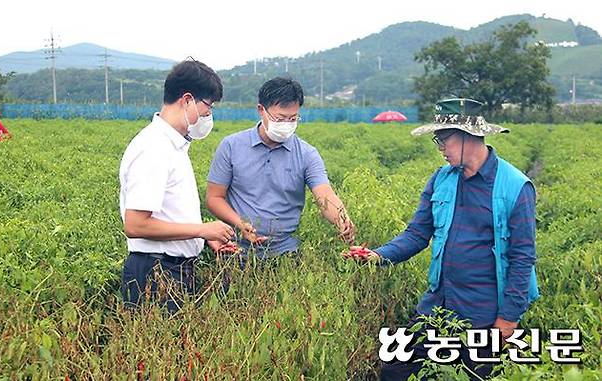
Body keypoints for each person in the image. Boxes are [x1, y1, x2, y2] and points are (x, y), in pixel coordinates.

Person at [356, 99, 539, 380]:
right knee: (395, 369)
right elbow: (417, 234)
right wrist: (378, 256)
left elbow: (522, 256)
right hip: (437, 305)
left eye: (444, 139)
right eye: (436, 140)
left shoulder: (515, 187)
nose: (440, 148)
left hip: (482, 312)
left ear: (470, 135)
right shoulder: (441, 179)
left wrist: (507, 319)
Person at [119, 59, 235, 313]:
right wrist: (202, 229)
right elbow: (136, 224)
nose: (208, 115)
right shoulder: (154, 148)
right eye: (208, 106)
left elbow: (170, 214)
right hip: (155, 271)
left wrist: (202, 236)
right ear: (187, 100)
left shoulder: (174, 146)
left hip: (174, 269)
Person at [206, 77, 355, 259]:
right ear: (261, 110)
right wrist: (240, 223)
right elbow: (214, 198)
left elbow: (325, 196)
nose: (286, 125)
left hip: (285, 251)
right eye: (280, 118)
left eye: (292, 119)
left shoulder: (307, 154)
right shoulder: (231, 146)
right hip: (235, 249)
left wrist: (342, 220)